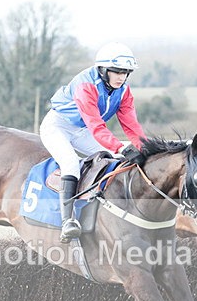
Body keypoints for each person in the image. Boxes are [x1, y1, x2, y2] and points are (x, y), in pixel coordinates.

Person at [40, 42, 147, 242]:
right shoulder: (85, 86)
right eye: (116, 72)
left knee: (115, 159)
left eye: (126, 73)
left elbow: (131, 125)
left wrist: (145, 148)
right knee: (70, 163)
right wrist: (120, 146)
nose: (121, 77)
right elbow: (96, 126)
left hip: (82, 131)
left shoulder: (123, 90)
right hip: (58, 126)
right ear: (103, 70)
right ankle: (67, 222)